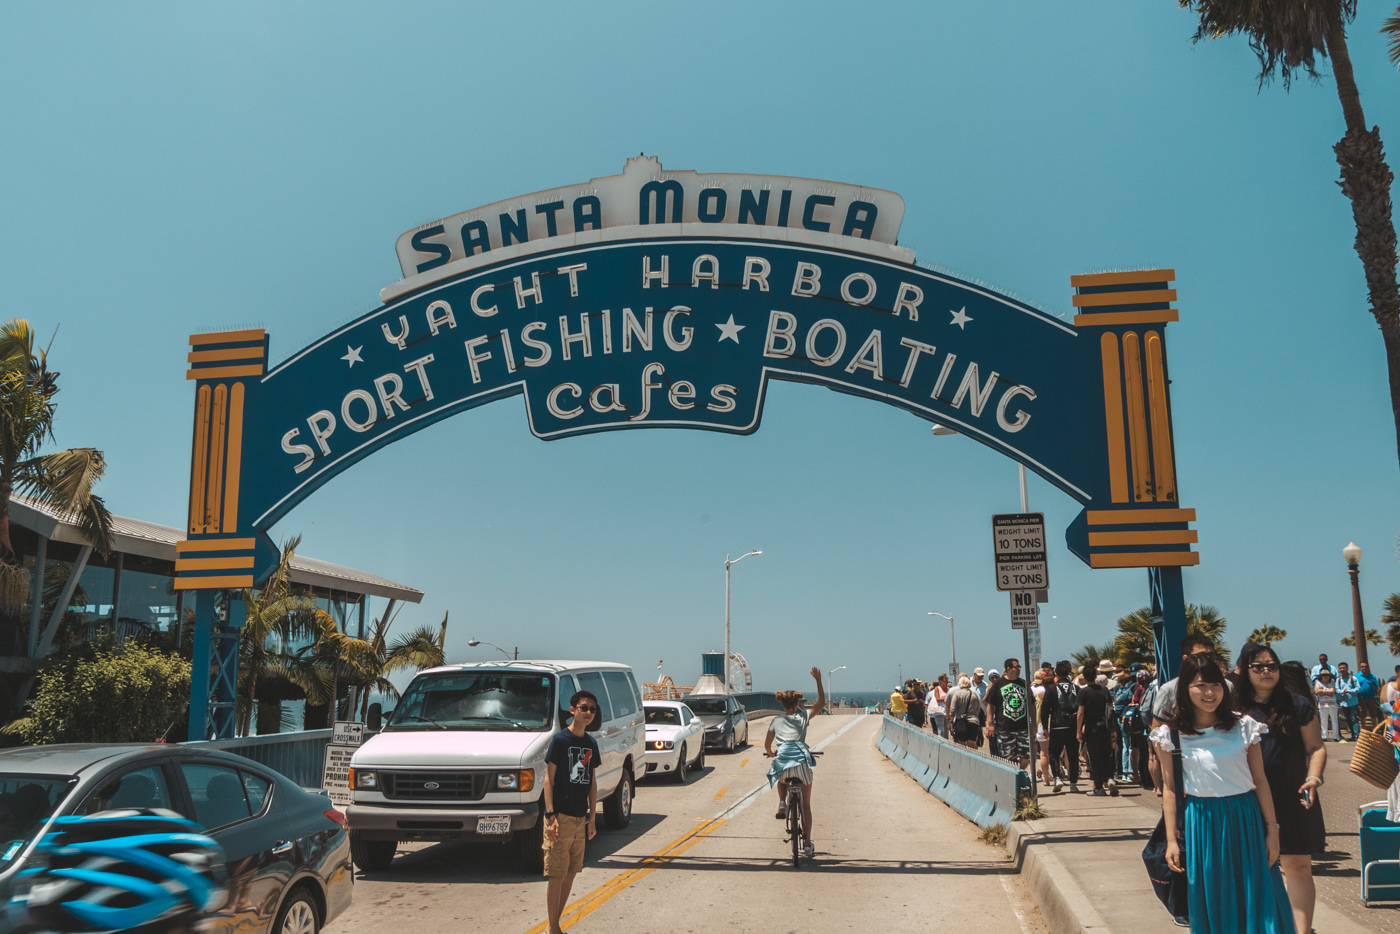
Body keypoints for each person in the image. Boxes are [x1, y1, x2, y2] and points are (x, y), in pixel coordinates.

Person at [1152, 656, 1296, 934]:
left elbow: (1260, 782)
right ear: (1185, 689)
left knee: (1259, 893)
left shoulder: (1244, 726)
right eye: (1200, 685)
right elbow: (1170, 789)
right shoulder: (1171, 734)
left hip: (1245, 817)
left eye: (1215, 685)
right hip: (1201, 822)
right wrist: (1171, 840)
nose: (1209, 693)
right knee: (1214, 897)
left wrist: (1273, 830)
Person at [1234, 642, 1326, 934]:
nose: (1266, 671)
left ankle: (1302, 930)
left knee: (1298, 865)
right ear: (1245, 670)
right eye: (1258, 666)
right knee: (1252, 869)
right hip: (1247, 798)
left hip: (1293, 795)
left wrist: (1314, 778)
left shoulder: (1297, 703)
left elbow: (1316, 748)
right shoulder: (1233, 708)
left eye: (1271, 666)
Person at [542, 690, 601, 934]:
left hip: (580, 818)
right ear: (572, 709)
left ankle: (553, 926)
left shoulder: (590, 743)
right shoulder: (560, 741)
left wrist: (593, 818)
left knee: (570, 874)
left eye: (593, 710)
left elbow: (592, 782)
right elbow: (548, 779)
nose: (588, 713)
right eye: (584, 708)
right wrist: (550, 815)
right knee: (556, 874)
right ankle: (554, 928)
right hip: (561, 817)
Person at [765, 667, 826, 859]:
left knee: (780, 777)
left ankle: (782, 803)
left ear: (782, 704)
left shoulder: (776, 721)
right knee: (806, 806)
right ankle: (807, 845)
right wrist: (818, 680)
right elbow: (822, 703)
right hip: (801, 762)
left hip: (783, 760)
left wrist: (771, 752)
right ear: (798, 703)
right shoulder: (803, 716)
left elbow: (767, 746)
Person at [1039, 660, 1081, 792]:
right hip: (1073, 726)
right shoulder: (1076, 688)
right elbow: (1081, 709)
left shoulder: (1052, 688)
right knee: (1073, 755)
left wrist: (1045, 727)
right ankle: (1073, 783)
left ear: (1056, 673)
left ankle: (1057, 777)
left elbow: (1045, 709)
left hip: (1057, 725)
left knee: (1054, 753)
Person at [1078, 665, 1117, 796]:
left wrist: (1078, 730)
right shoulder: (1104, 690)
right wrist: (1112, 728)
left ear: (1084, 676)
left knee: (1095, 757)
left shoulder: (1084, 692)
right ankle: (1110, 778)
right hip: (1105, 727)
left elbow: (1081, 712)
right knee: (1106, 754)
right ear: (1096, 675)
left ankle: (1099, 787)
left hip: (1091, 728)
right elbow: (1110, 709)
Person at [985, 658, 1030, 769]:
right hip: (1005, 728)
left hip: (1023, 728)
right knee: (1008, 759)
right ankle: (1014, 780)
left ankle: (1018, 772)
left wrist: (1032, 724)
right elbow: (990, 704)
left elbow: (1031, 705)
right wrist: (989, 724)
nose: (1019, 669)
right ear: (1008, 668)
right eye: (1016, 667)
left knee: (1026, 758)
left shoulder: (1023, 684)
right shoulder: (998, 684)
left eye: (1020, 667)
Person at [945, 674, 984, 748]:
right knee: (972, 742)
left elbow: (952, 710)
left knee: (962, 744)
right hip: (973, 721)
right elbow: (978, 709)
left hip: (961, 721)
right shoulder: (974, 694)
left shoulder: (957, 694)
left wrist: (951, 722)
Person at [1335, 662, 1360, 742]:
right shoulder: (1338, 680)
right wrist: (1342, 692)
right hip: (1344, 703)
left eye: (1343, 668)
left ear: (1347, 668)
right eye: (1340, 668)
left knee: (1354, 719)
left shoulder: (1353, 678)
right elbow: (1337, 689)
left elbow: (1358, 689)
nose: (1342, 670)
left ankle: (1356, 735)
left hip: (1353, 702)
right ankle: (1352, 735)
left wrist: (1349, 691)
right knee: (1348, 719)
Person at [1311, 670, 1338, 742]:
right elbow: (1317, 691)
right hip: (1322, 704)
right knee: (1323, 721)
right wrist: (1327, 691)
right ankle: (1324, 736)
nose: (1325, 677)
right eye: (1323, 675)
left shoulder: (1333, 682)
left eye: (1327, 675)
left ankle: (1336, 736)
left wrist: (1322, 691)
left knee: (1334, 720)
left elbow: (1332, 691)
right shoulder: (1318, 682)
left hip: (1332, 704)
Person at [1354, 660, 1382, 726]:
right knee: (1362, 716)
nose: (1364, 668)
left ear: (1368, 667)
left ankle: (1375, 731)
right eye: (1362, 666)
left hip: (1371, 698)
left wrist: (1377, 697)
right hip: (1361, 699)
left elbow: (1376, 688)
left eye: (1366, 666)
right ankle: (1364, 731)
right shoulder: (1356, 676)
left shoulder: (1372, 676)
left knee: (1374, 715)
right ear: (1360, 667)